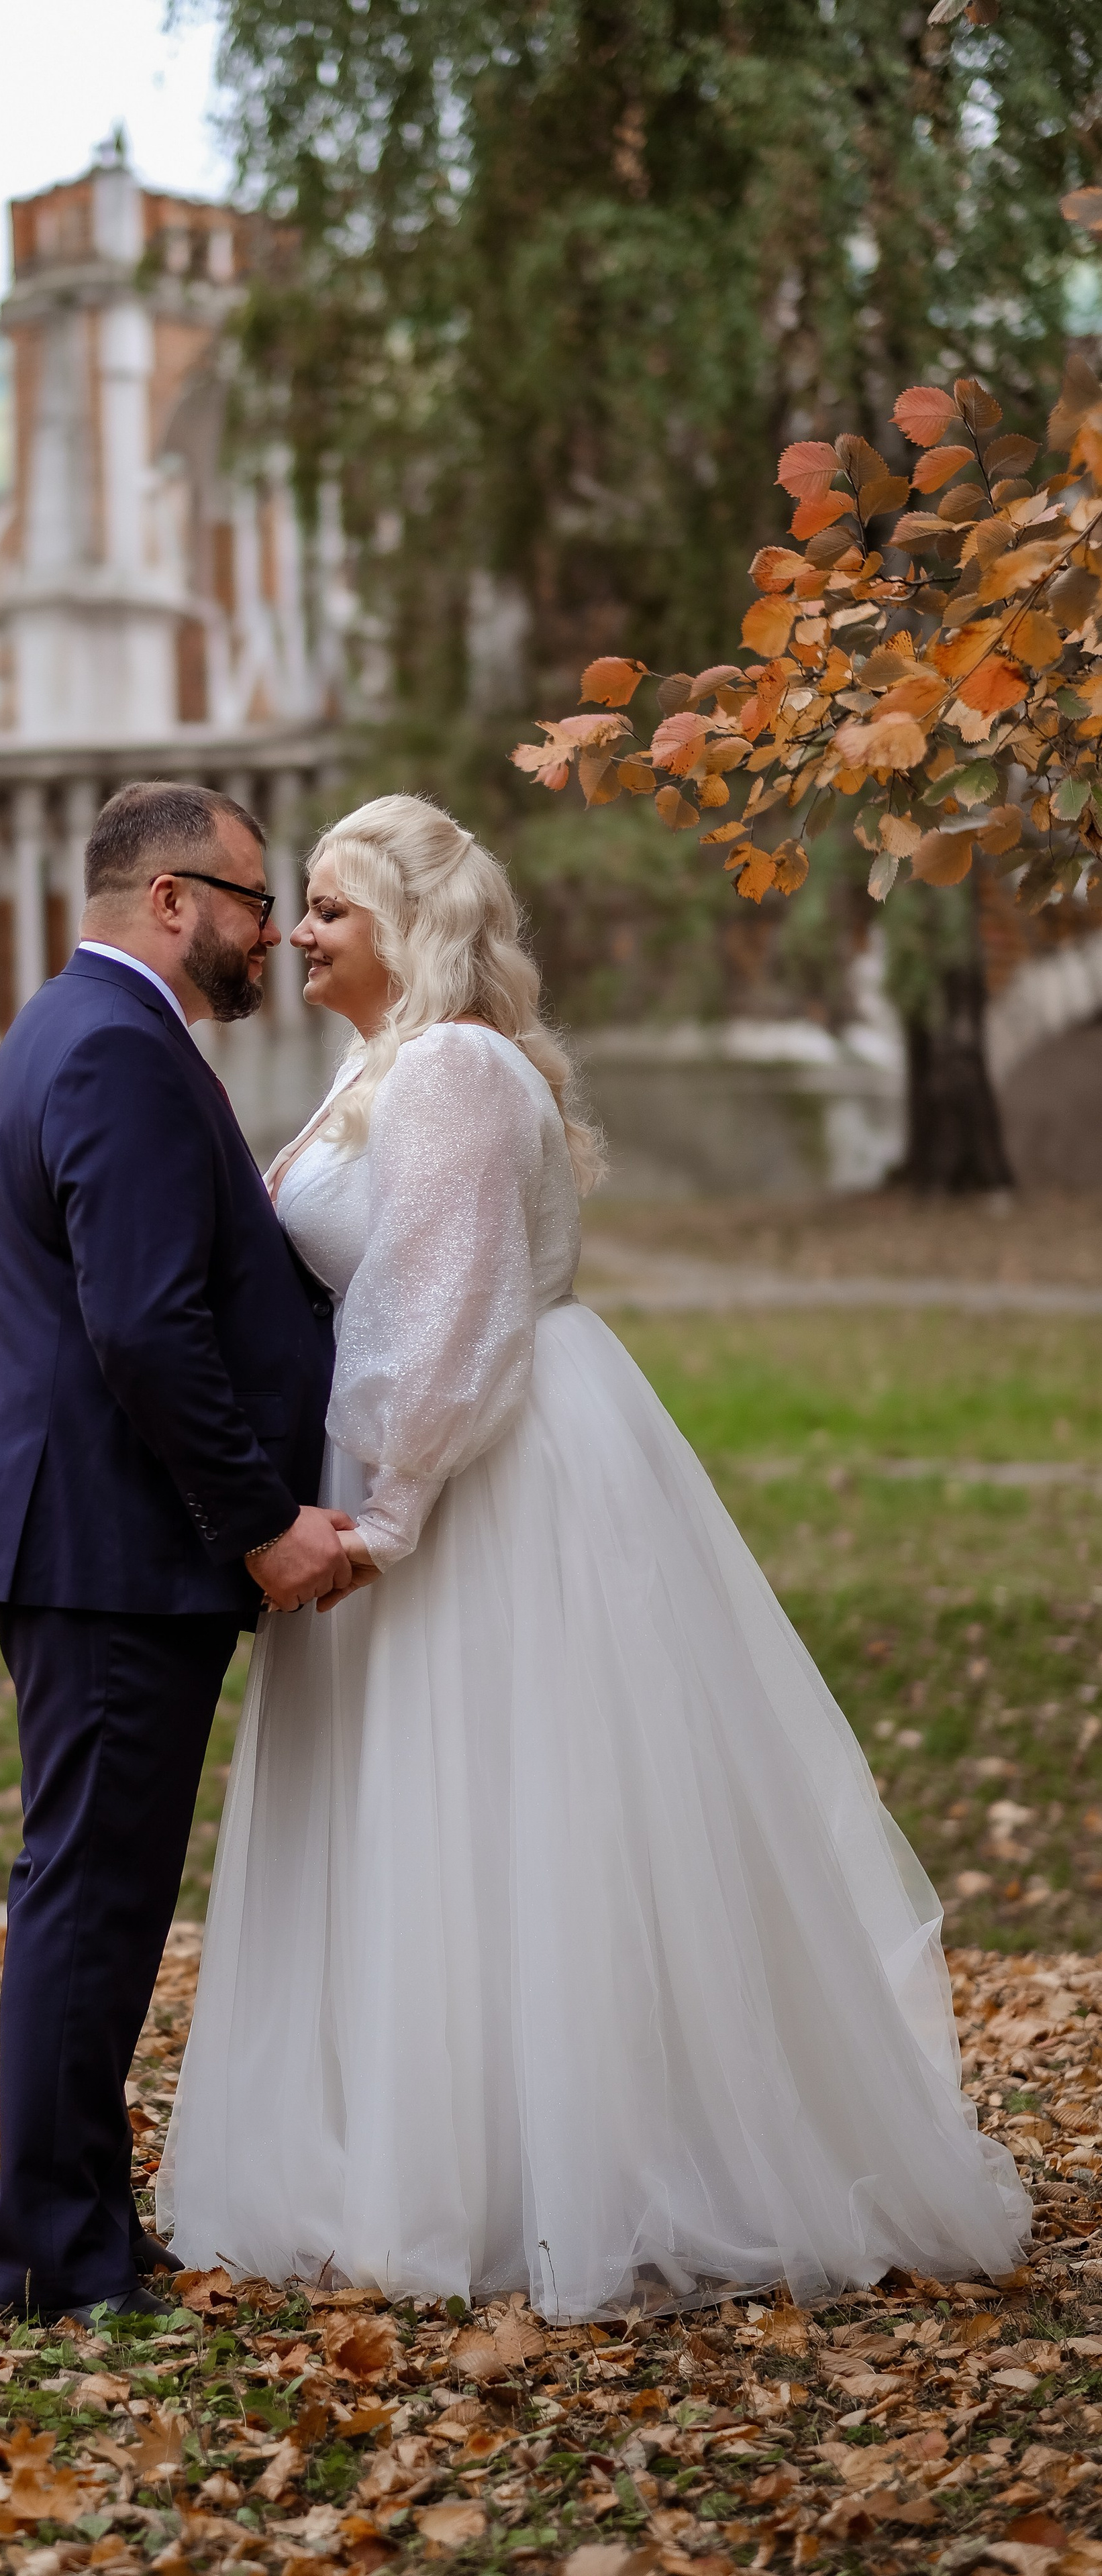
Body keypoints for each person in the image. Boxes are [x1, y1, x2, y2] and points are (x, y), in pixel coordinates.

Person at [158, 792, 1030, 2317]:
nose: (299, 933)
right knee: (432, 1808)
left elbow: (449, 1307)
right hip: (423, 1455)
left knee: (509, 1802)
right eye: (301, 905)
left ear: (410, 928)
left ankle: (546, 2173)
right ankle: (437, 2147)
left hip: (481, 1470)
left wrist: (391, 1510)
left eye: (332, 908)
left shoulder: (450, 1068)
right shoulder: (385, 1062)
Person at [0, 780, 352, 2324]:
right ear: (169, 900)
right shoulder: (113, 1047)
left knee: (97, 1885)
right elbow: (145, 1326)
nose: (269, 932)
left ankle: (82, 2218)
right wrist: (260, 1524)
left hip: (86, 1530)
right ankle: (53, 2254)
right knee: (91, 1891)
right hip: (105, 1540)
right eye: (250, 901)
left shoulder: (77, 1027)